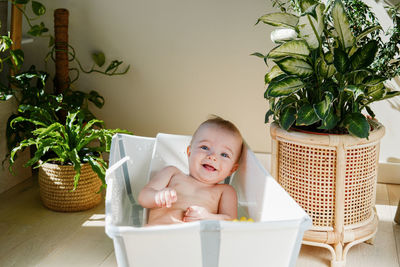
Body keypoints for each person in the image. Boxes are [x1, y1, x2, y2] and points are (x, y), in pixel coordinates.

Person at [138, 116, 243, 226]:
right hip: (155, 233)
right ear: (189, 152)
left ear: (232, 169)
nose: (212, 157)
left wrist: (207, 217)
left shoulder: (225, 191)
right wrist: (157, 196)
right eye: (205, 147)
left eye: (224, 154)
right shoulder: (172, 173)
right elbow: (143, 197)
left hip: (193, 240)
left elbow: (231, 221)